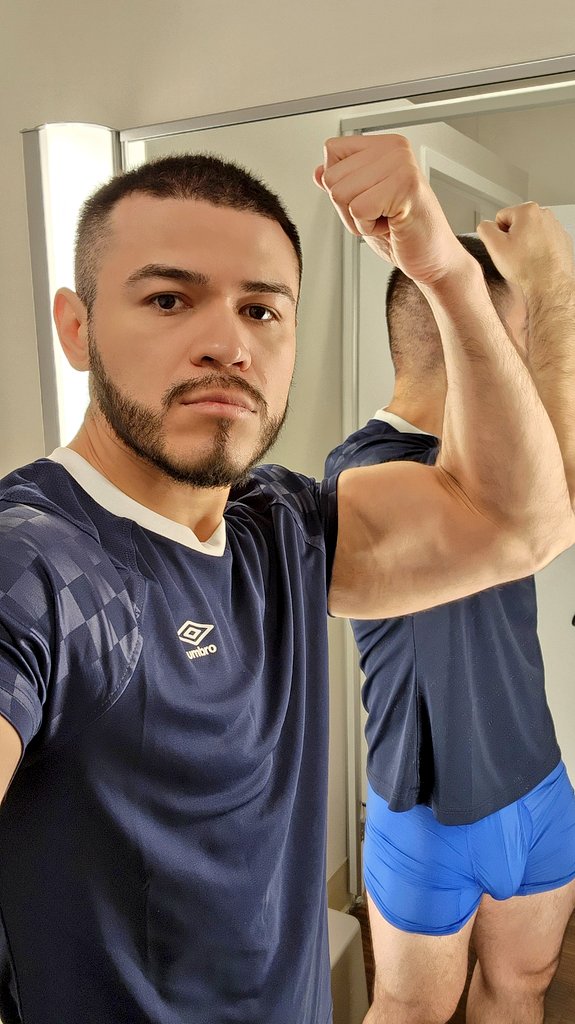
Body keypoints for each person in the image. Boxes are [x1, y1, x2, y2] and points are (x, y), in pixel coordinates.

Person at [0, 135, 572, 1024]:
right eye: (168, 299)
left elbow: (519, 525)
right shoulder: (37, 564)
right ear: (77, 329)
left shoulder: (282, 527)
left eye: (261, 310)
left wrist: (445, 274)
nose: (227, 344)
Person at [325, 213, 575, 1024]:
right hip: (430, 818)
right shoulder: (364, 475)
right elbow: (551, 507)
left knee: (522, 987)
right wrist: (551, 284)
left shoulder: (506, 471)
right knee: (410, 1011)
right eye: (518, 342)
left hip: (538, 784)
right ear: (477, 343)